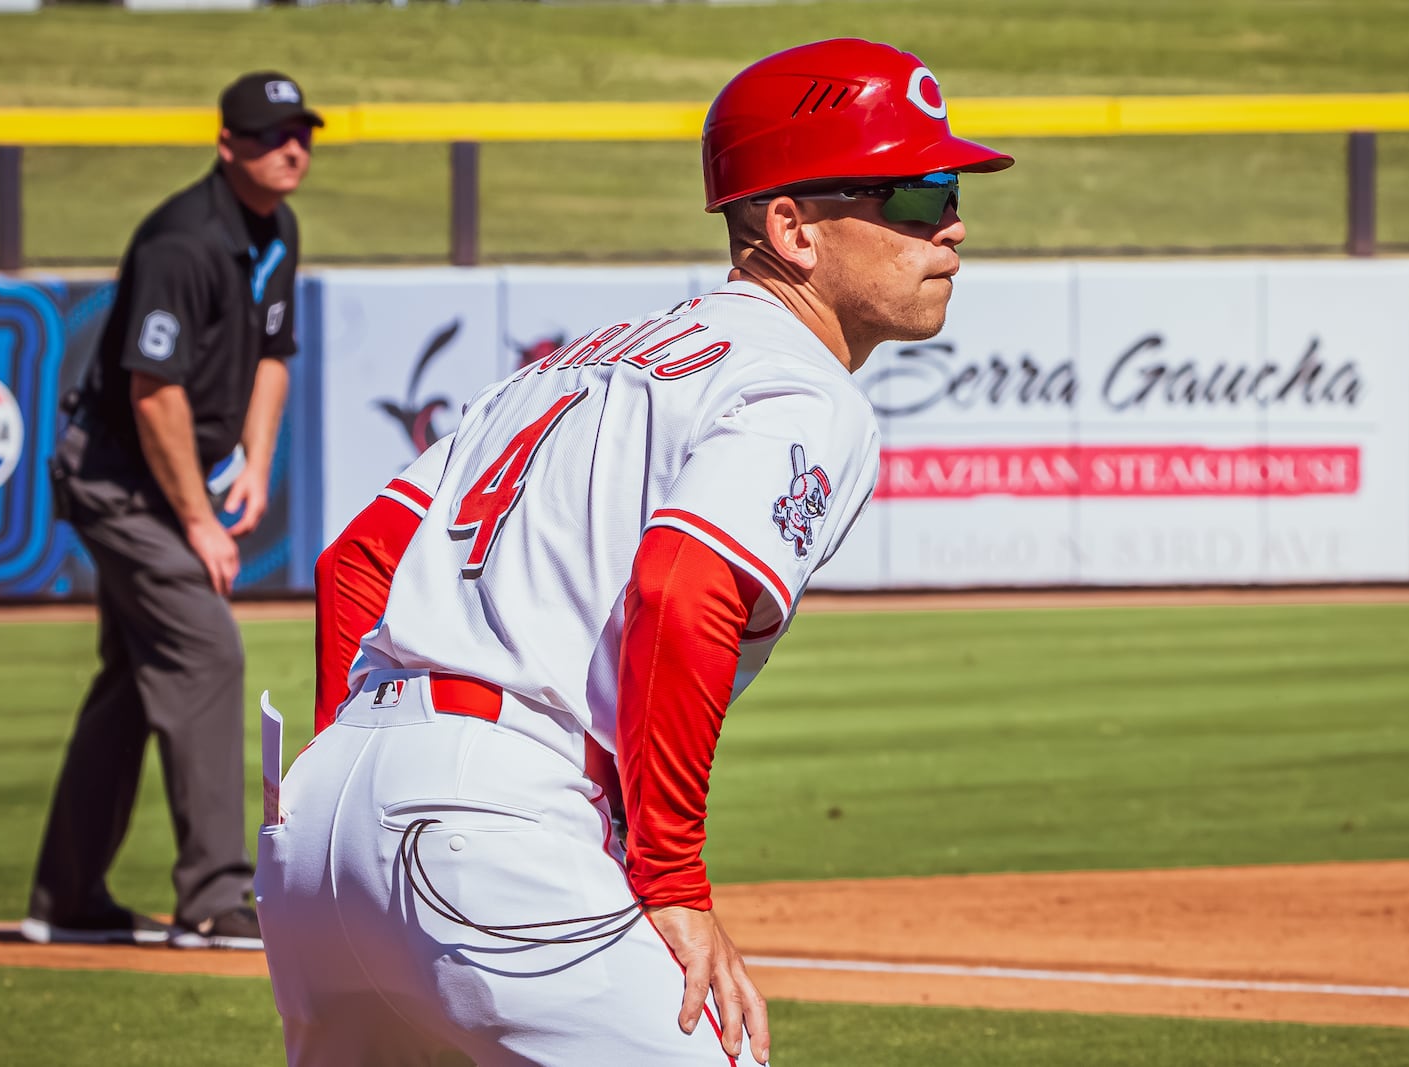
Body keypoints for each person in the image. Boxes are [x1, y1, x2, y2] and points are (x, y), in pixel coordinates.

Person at [258, 38, 1012, 1065]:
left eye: (952, 190)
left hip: (320, 824)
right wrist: (671, 881)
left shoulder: (567, 366)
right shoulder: (796, 385)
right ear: (790, 226)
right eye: (916, 197)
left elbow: (356, 557)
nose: (953, 225)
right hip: (490, 818)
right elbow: (685, 584)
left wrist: (359, 767)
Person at [22, 72, 321, 951]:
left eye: (300, 132)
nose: (291, 147)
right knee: (206, 648)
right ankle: (212, 894)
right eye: (270, 135)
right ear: (227, 145)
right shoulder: (181, 243)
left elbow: (274, 355)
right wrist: (197, 521)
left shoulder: (276, 230)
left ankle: (66, 896)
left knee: (132, 681)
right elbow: (153, 394)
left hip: (161, 478)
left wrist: (258, 465)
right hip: (117, 480)